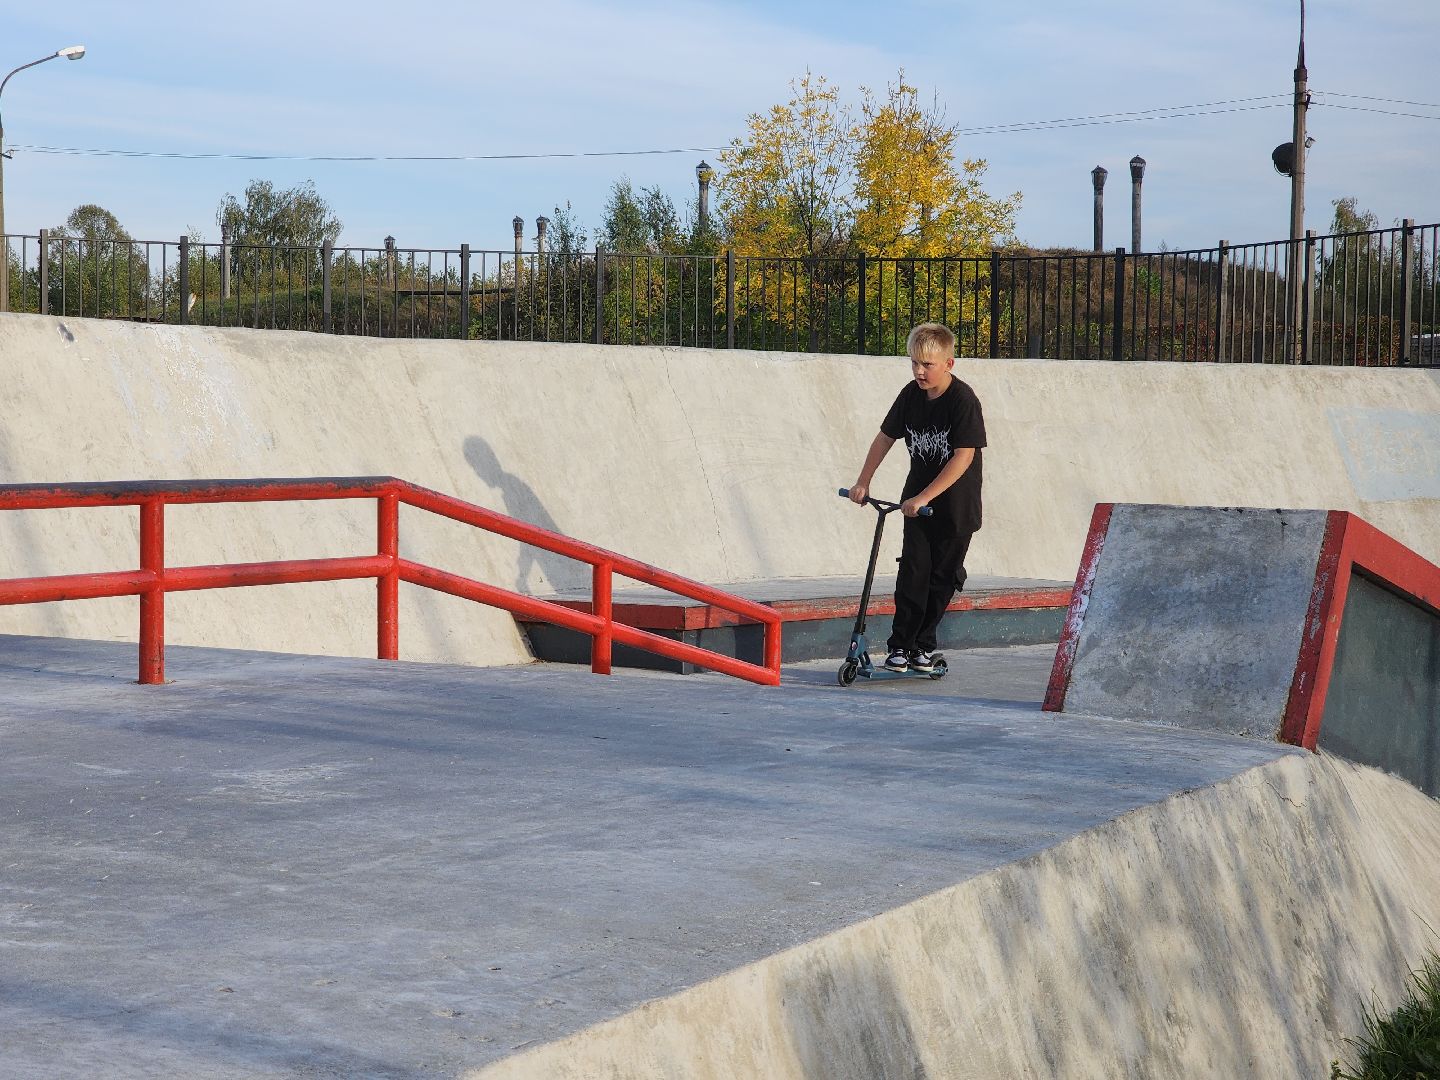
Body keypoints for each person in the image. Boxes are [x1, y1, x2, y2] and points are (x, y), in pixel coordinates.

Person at [847, 322, 986, 672]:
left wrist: (925, 496)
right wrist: (863, 482)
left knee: (942, 578)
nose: (919, 371)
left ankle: (922, 647)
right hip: (917, 507)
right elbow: (884, 438)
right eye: (914, 363)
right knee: (912, 573)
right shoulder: (910, 395)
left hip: (955, 507)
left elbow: (963, 457)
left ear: (949, 364)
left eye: (928, 365)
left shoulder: (962, 400)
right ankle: (900, 647)